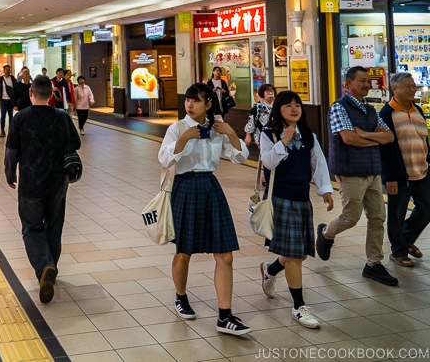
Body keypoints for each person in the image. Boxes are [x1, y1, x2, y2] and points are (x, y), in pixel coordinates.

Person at [158, 83, 251, 335]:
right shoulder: (177, 128)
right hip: (184, 187)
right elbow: (164, 159)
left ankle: (225, 316)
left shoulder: (218, 129)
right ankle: (180, 297)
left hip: (210, 186)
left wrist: (232, 133)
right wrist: (183, 139)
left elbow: (240, 157)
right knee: (184, 251)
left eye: (195, 101)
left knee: (225, 253)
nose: (189, 105)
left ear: (208, 105)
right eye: (187, 100)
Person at [258, 91, 334, 329]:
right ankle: (299, 306)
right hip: (280, 198)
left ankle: (270, 271)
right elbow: (268, 162)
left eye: (297, 105)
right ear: (278, 109)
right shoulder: (268, 133)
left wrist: (325, 189)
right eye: (288, 105)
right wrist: (284, 142)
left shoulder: (309, 135)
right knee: (294, 256)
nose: (294, 109)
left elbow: (318, 162)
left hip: (302, 199)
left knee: (298, 254)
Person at [317, 66, 398, 286]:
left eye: (368, 82)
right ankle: (325, 233)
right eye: (362, 81)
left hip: (373, 171)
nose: (366, 85)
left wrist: (365, 134)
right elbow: (348, 139)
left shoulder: (370, 109)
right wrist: (374, 139)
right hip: (350, 170)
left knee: (377, 217)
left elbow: (390, 136)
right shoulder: (339, 108)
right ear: (348, 83)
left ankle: (374, 264)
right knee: (351, 217)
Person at [4, 75, 80, 304]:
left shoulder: (21, 118)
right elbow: (75, 144)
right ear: (51, 94)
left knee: (31, 227)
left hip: (30, 183)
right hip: (58, 183)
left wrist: (10, 174)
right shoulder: (61, 117)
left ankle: (44, 266)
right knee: (54, 226)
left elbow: (11, 151)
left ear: (31, 93)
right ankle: (51, 268)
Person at [378, 72, 430, 267]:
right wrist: (389, 177)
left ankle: (406, 238)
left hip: (422, 170)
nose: (412, 89)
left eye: (414, 85)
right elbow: (386, 149)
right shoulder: (386, 114)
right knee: (397, 213)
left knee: (427, 208)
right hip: (400, 175)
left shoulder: (417, 109)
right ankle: (398, 252)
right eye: (408, 86)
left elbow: (422, 138)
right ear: (395, 89)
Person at [0, 65, 17, 137]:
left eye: (9, 70)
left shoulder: (12, 79)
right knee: (3, 115)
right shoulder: (1, 79)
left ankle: (10, 130)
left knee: (11, 116)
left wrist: (16, 101)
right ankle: (2, 130)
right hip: (3, 100)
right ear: (4, 70)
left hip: (11, 100)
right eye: (7, 70)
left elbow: (16, 89)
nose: (8, 71)